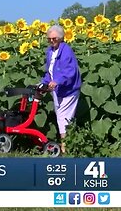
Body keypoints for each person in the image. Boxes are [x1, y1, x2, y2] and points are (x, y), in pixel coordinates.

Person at [41, 25, 82, 154]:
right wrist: (44, 83)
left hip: (69, 90)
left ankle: (65, 146)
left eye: (54, 38)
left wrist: (57, 81)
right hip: (57, 90)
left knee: (63, 117)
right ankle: (67, 145)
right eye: (49, 39)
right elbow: (49, 71)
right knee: (62, 117)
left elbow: (70, 71)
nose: (51, 41)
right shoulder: (50, 51)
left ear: (61, 38)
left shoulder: (66, 51)